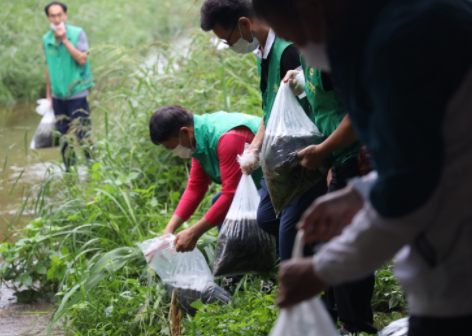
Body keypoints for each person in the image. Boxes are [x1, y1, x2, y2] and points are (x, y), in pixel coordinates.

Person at [252, 0, 472, 335]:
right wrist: (357, 197)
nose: (300, 51)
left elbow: (411, 187)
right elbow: (424, 149)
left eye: (294, 36)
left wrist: (321, 269)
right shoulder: (365, 36)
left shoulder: (402, 40)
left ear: (312, 10)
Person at [200, 0, 327, 262]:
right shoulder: (262, 53)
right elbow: (271, 110)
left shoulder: (289, 51)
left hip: (307, 156)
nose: (229, 46)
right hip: (283, 158)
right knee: (266, 217)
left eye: (228, 39)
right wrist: (255, 148)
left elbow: (316, 109)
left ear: (244, 24)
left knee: (288, 233)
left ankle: (317, 281)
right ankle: (317, 256)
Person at [281, 65, 376, 333]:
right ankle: (335, 316)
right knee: (330, 239)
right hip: (339, 157)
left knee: (346, 241)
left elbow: (359, 115)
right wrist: (299, 72)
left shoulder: (334, 58)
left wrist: (322, 151)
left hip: (357, 156)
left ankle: (355, 325)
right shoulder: (307, 53)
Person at [148, 105, 263, 253]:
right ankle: (236, 261)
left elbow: (231, 194)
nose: (172, 151)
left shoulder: (228, 138)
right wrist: (168, 232)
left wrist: (194, 232)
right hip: (259, 180)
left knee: (240, 210)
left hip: (280, 176)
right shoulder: (198, 138)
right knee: (217, 201)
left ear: (185, 132)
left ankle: (255, 260)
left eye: (171, 146)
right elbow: (196, 187)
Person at [43, 1, 93, 171]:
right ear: (48, 17)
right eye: (52, 15)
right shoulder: (46, 39)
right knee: (63, 138)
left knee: (82, 135)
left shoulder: (77, 33)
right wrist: (49, 96)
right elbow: (48, 67)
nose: (56, 19)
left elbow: (82, 59)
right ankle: (69, 174)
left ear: (65, 15)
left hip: (77, 94)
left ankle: (94, 170)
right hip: (58, 97)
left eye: (59, 15)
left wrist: (64, 39)